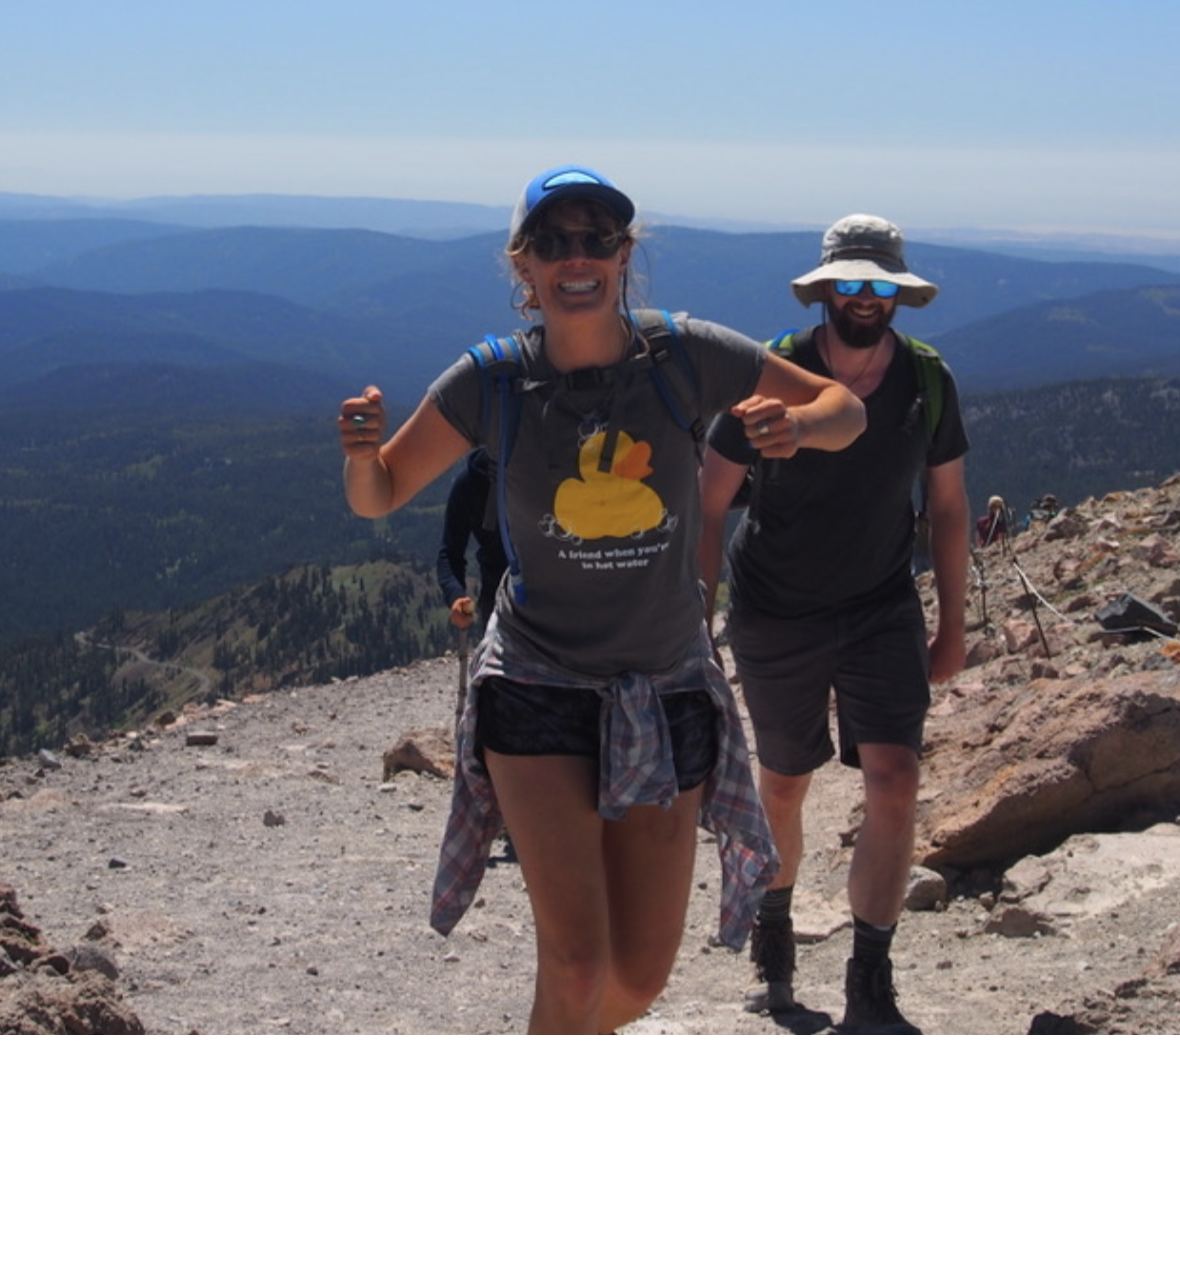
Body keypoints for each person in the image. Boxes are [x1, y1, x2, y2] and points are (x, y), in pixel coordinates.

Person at [340, 165, 864, 1035]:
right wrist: (361, 453)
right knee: (577, 960)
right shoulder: (492, 382)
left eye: (597, 240)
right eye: (553, 242)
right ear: (524, 266)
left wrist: (799, 426)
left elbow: (845, 409)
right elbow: (381, 490)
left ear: (625, 255)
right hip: (537, 686)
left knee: (638, 978)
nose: (576, 257)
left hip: (664, 690)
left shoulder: (686, 356)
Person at [699, 213, 970, 1034]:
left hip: (881, 602)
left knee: (895, 778)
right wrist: (695, 618)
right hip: (776, 609)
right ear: (824, 290)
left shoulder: (927, 382)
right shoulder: (767, 377)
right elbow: (709, 504)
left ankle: (870, 978)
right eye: (849, 283)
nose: (864, 298)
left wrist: (950, 626)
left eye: (879, 284)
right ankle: (775, 937)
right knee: (785, 782)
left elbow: (950, 506)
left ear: (899, 294)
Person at [435, 446, 507, 712]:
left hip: (504, 596)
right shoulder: (469, 485)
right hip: (499, 599)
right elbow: (450, 554)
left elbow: (449, 554)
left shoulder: (469, 482)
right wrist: (456, 595)